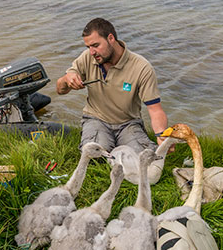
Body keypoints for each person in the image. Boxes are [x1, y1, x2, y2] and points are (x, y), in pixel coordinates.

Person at [56, 18, 170, 153]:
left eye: (95, 45)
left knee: (142, 158)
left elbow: (155, 110)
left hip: (128, 123)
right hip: (96, 119)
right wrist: (66, 79)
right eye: (88, 47)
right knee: (93, 155)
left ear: (111, 38)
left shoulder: (142, 67)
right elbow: (60, 90)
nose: (92, 52)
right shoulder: (87, 57)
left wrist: (161, 136)